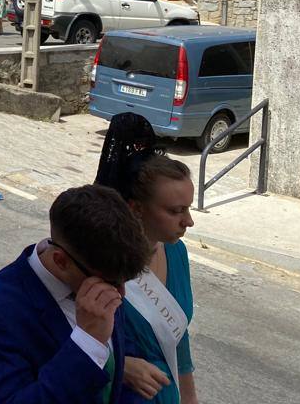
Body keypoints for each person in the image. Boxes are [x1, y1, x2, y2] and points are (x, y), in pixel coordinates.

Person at [0, 184, 151, 404]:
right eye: (110, 282)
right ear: (61, 261)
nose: (120, 294)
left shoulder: (104, 274)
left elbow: (118, 369)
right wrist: (86, 344)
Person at [95, 114, 198, 404]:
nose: (188, 221)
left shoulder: (176, 252)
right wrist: (121, 366)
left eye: (188, 209)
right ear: (136, 208)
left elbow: (179, 339)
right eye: (176, 211)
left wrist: (189, 400)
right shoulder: (100, 264)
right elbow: (62, 339)